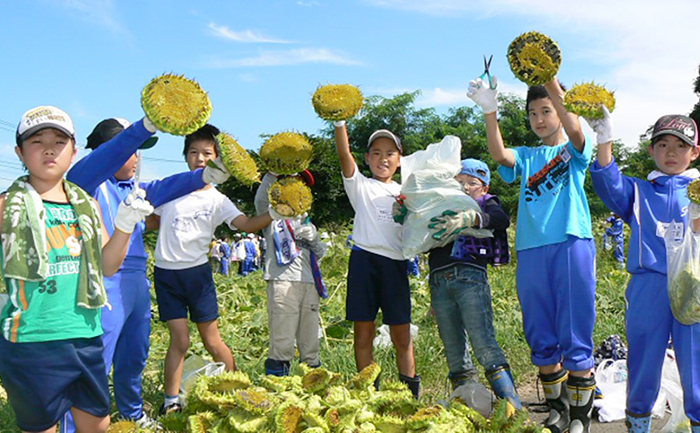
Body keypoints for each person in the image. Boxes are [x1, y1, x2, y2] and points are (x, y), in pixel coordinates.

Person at [60, 116, 229, 431]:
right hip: (103, 279)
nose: (137, 158)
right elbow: (104, 159)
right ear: (108, 151)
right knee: (98, 357)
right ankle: (72, 424)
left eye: (139, 151)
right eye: (131, 150)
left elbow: (166, 187)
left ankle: (132, 412)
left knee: (134, 353)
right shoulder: (85, 182)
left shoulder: (135, 189)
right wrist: (144, 127)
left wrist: (204, 175)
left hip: (136, 280)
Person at [0, 106, 152, 433]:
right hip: (33, 340)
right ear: (20, 153)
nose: (50, 148)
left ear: (74, 152)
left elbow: (108, 265)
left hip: (86, 335)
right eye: (37, 141)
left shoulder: (87, 205)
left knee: (98, 424)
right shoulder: (5, 205)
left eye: (59, 141)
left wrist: (124, 225)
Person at [469, 75, 596, 432]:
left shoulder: (573, 150)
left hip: (572, 242)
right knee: (539, 330)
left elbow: (576, 132)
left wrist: (552, 80)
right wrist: (490, 111)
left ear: (560, 110)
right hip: (531, 247)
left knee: (575, 327)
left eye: (547, 110)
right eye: (533, 113)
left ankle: (580, 417)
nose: (540, 119)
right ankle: (557, 411)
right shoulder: (526, 157)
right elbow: (499, 154)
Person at [588, 111, 700, 433]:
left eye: (680, 146)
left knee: (695, 364)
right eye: (662, 144)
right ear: (651, 151)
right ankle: (638, 423)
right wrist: (604, 139)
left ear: (694, 152)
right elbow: (607, 182)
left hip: (692, 287)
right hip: (648, 285)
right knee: (643, 362)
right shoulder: (639, 191)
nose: (670, 152)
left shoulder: (698, 190)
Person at [152, 124, 273, 414]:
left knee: (212, 339)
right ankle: (171, 401)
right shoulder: (171, 188)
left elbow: (244, 224)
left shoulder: (217, 199)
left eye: (207, 153)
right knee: (179, 341)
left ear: (218, 159)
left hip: (198, 275)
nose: (200, 158)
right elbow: (150, 222)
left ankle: (238, 389)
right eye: (193, 152)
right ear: (185, 157)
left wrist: (274, 213)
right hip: (166, 274)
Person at [426, 158, 521, 413]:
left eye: (473, 183)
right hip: (439, 282)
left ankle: (513, 412)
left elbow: (501, 219)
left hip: (470, 277)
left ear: (485, 187)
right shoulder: (442, 206)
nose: (466, 188)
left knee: (484, 344)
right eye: (460, 182)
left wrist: (474, 219)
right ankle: (469, 410)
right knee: (454, 351)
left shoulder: (486, 204)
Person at [333, 122, 420, 398]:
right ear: (368, 158)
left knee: (401, 334)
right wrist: (340, 123)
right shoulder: (360, 186)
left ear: (399, 160)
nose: (383, 159)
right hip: (363, 262)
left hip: (395, 264)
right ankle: (366, 392)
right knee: (363, 332)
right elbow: (344, 155)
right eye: (377, 153)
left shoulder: (407, 191)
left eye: (390, 153)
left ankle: (409, 393)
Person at [254, 172, 328, 376]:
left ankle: (312, 388)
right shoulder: (272, 216)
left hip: (309, 283)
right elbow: (260, 200)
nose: (297, 188)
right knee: (282, 342)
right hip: (282, 282)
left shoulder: (307, 221)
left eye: (301, 185)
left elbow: (320, 253)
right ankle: (278, 387)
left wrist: (313, 239)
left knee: (310, 342)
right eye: (292, 182)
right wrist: (272, 174)